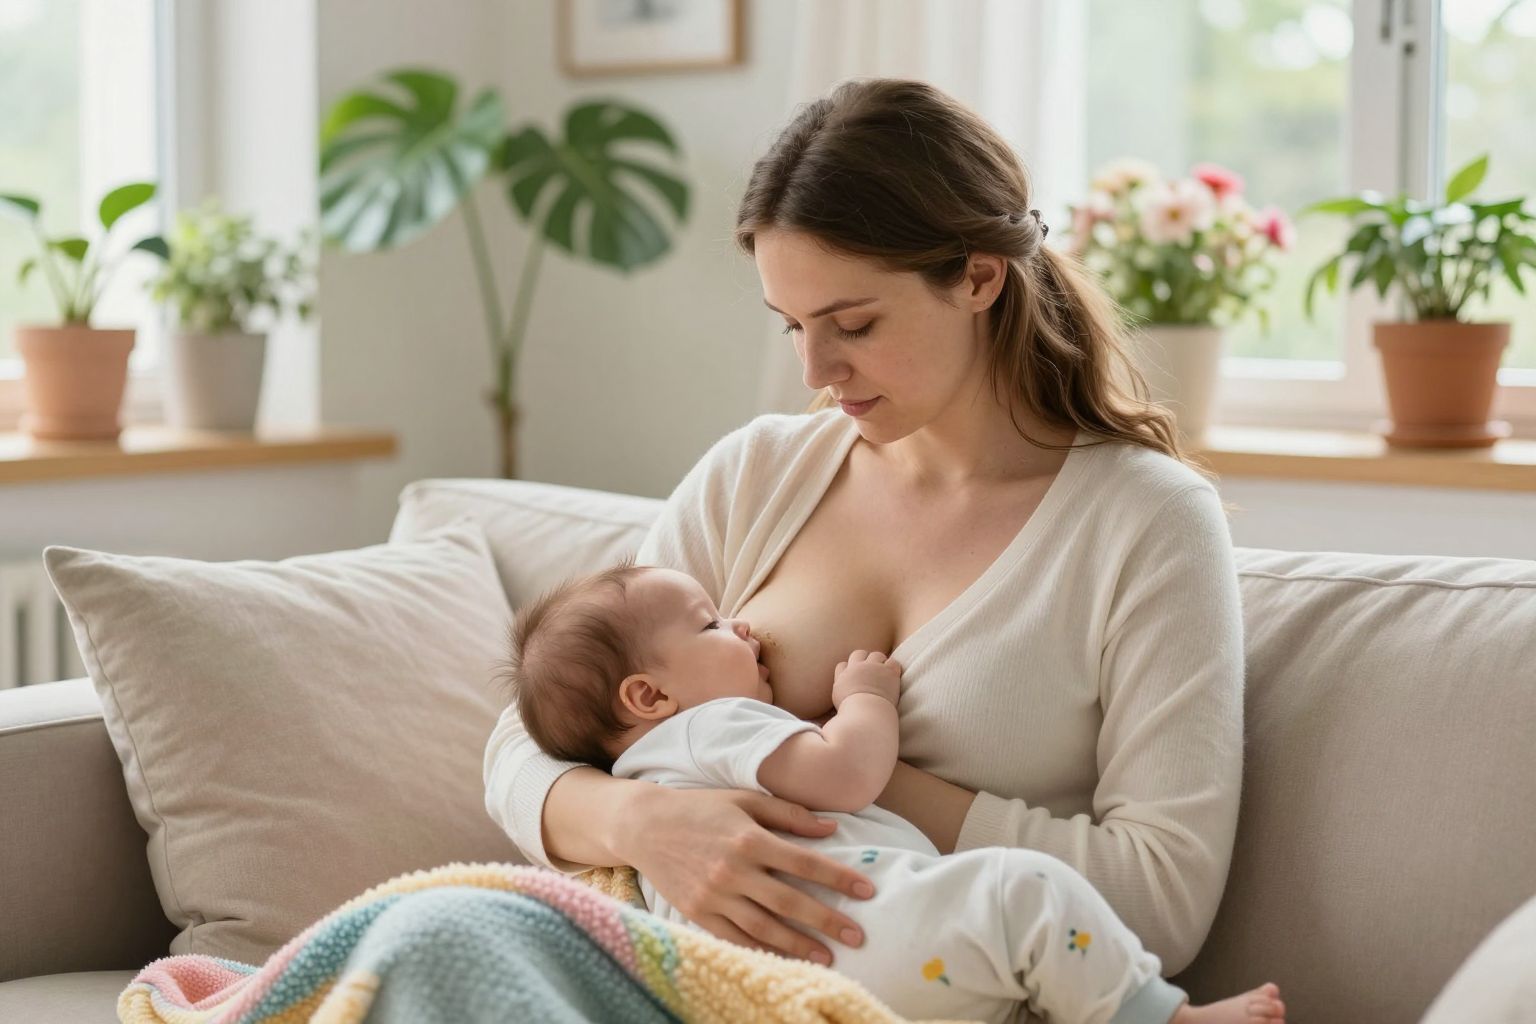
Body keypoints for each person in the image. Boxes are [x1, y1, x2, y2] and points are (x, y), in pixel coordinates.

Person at [484, 75, 1246, 994]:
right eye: (793, 325)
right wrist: (646, 824)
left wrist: (832, 766)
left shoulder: (1146, 523)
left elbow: (1165, 896)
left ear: (978, 275)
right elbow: (524, 745)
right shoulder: (757, 475)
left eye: (853, 323)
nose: (815, 367)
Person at [501, 559, 1284, 1024]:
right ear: (647, 698)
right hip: (865, 936)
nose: (741, 628)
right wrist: (864, 702)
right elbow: (845, 775)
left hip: (807, 976)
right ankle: (1164, 1019)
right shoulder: (716, 726)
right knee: (1025, 888)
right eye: (711, 625)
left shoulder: (645, 761)